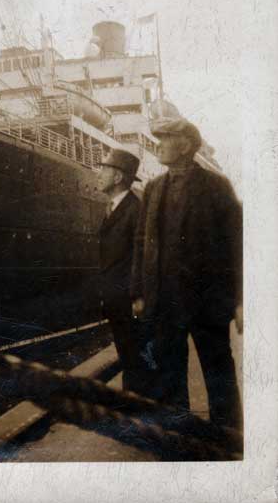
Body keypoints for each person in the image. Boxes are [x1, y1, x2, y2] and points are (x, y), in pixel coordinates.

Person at [131, 117, 243, 429]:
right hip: (164, 301)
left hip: (207, 301)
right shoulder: (153, 189)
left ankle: (228, 434)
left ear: (185, 145)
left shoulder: (216, 187)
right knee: (169, 373)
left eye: (166, 138)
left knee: (218, 370)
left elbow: (236, 246)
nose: (159, 144)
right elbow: (141, 245)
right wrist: (138, 292)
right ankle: (179, 435)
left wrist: (240, 300)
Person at [97, 148, 143, 393]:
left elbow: (140, 257)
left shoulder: (134, 209)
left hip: (128, 301)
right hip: (118, 299)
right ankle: (133, 406)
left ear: (117, 178)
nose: (98, 173)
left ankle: (136, 413)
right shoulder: (117, 207)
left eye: (104, 169)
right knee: (129, 358)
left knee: (134, 360)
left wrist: (137, 296)